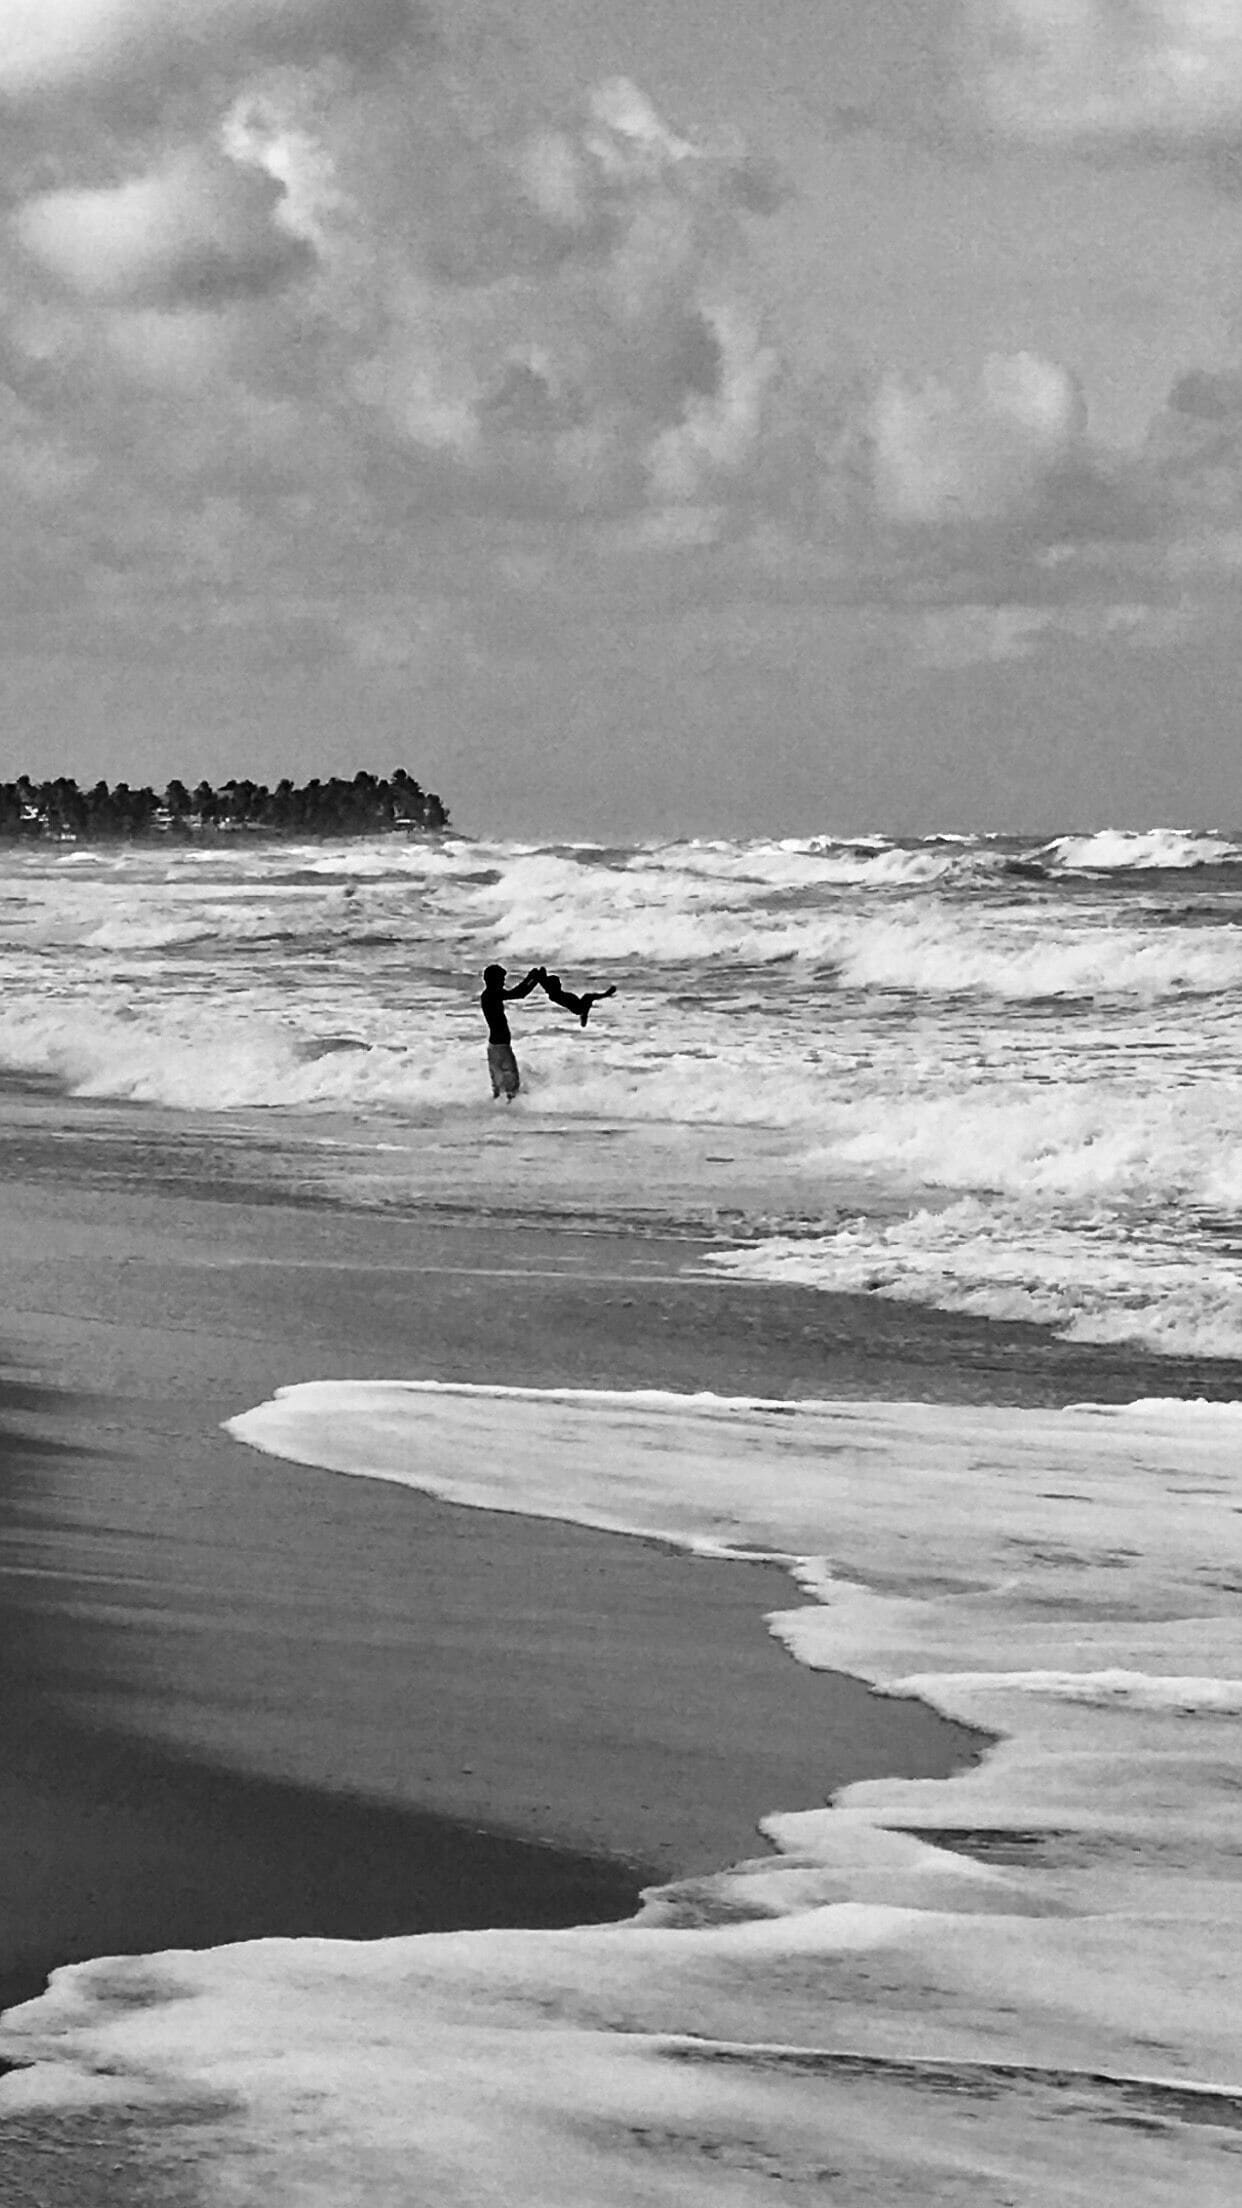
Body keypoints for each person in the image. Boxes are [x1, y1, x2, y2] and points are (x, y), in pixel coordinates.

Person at [480, 962, 544, 1100]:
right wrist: (533, 979)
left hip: (495, 1046)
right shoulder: (491, 994)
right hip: (501, 1047)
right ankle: (510, 1114)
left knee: (499, 1086)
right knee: (511, 1086)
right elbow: (520, 993)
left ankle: (499, 1114)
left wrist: (532, 979)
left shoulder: (488, 994)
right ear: (493, 980)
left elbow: (518, 993)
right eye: (501, 980)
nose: (503, 983)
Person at [540, 973, 617, 1027]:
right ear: (553, 986)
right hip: (577, 1007)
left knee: (588, 998)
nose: (560, 984)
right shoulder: (555, 995)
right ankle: (606, 995)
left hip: (577, 1005)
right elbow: (545, 985)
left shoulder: (554, 993)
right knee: (588, 997)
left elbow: (544, 983)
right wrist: (541, 978)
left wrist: (541, 976)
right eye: (558, 983)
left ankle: (584, 1015)